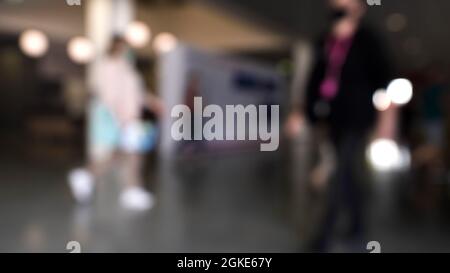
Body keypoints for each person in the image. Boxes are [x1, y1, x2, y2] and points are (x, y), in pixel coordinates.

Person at [287, 0, 392, 251]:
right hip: (331, 118)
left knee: (336, 172)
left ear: (360, 8)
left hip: (357, 118)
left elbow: (384, 80)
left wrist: (387, 121)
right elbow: (314, 79)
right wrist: (301, 112)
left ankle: (322, 237)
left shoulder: (368, 40)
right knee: (347, 176)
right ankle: (357, 223)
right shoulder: (324, 40)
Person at [68, 36, 163, 211]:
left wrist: (154, 103)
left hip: (127, 117)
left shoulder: (127, 69)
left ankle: (86, 176)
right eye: (125, 47)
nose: (128, 51)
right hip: (118, 118)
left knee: (119, 155)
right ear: (116, 47)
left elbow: (138, 93)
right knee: (133, 153)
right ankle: (131, 191)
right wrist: (124, 119)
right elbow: (110, 96)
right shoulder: (109, 67)